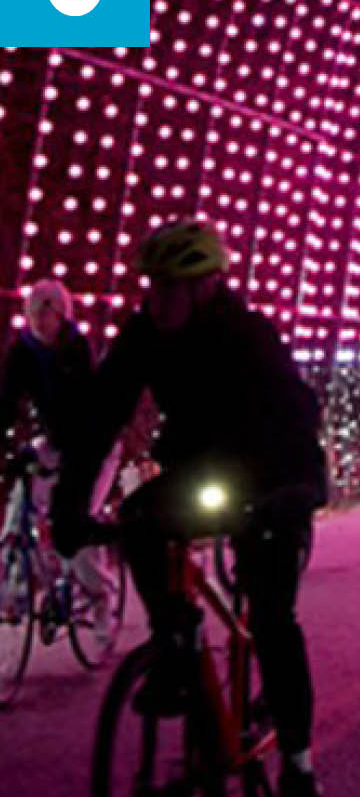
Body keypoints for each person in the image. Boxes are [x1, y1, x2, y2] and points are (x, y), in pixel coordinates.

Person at [51, 220, 326, 797]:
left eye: (169, 288)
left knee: (272, 617)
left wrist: (298, 493)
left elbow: (299, 414)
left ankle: (299, 764)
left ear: (205, 287)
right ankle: (176, 639)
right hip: (190, 465)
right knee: (136, 504)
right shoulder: (145, 335)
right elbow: (100, 418)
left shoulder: (248, 335)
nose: (156, 301)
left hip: (271, 475)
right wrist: (70, 506)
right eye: (150, 287)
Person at [0, 280, 121, 630]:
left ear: (62, 313)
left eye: (48, 310)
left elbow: (84, 406)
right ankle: (17, 589)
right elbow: (8, 401)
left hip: (93, 445)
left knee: (74, 520)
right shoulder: (22, 351)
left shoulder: (75, 348)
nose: (40, 318)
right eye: (34, 310)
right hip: (55, 440)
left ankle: (101, 595)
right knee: (20, 506)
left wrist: (77, 456)